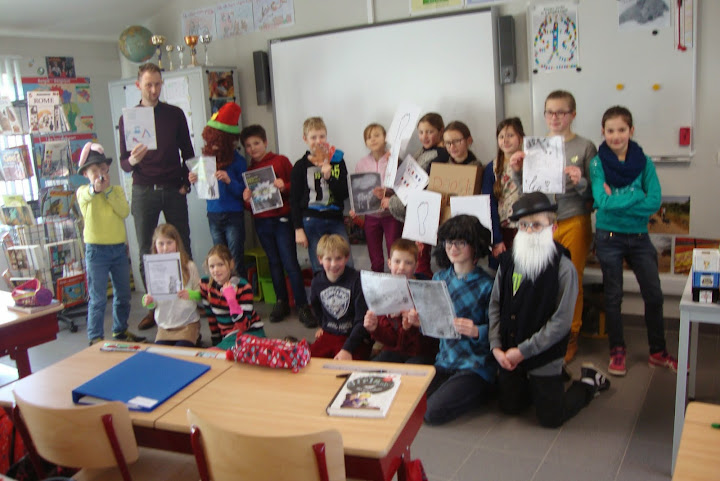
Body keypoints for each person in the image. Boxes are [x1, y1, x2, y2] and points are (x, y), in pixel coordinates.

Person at [489, 192, 610, 428]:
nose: (529, 231)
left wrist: (523, 351)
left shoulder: (564, 269)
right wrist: (496, 346)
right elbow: (495, 305)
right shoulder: (508, 262)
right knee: (510, 406)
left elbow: (561, 323)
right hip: (510, 352)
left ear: (552, 228)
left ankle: (588, 383)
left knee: (551, 418)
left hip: (542, 354)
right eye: (523, 225)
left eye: (537, 225)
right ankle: (540, 382)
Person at [589, 106, 678, 376]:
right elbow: (601, 201)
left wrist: (616, 200)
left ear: (631, 130)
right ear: (603, 132)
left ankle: (658, 352)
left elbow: (654, 202)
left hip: (639, 237)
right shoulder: (597, 164)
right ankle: (617, 350)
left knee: (654, 294)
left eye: (622, 130)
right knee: (613, 296)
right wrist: (636, 195)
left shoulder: (644, 162)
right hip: (609, 237)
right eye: (610, 130)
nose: (616, 136)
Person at [510, 90, 597, 363]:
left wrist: (581, 181)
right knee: (540, 276)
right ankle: (544, 333)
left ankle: (570, 335)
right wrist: (517, 171)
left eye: (561, 112)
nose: (555, 117)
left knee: (572, 279)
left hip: (573, 219)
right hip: (542, 223)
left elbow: (593, 196)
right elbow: (527, 192)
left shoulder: (585, 147)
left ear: (573, 114)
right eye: (550, 112)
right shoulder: (536, 146)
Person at [119, 62, 195, 331]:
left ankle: (188, 302)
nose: (153, 90)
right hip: (143, 191)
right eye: (148, 85)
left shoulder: (174, 114)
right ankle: (155, 308)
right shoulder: (129, 118)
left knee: (182, 245)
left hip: (173, 189)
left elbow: (188, 153)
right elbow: (124, 164)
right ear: (138, 85)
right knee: (146, 251)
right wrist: (133, 159)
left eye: (158, 84)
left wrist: (186, 183)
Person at [405, 215, 495, 425]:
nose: (453, 248)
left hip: (475, 365)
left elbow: (499, 331)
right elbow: (434, 325)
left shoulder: (487, 285)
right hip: (445, 361)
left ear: (475, 246)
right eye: (449, 242)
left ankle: (485, 390)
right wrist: (419, 322)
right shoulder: (440, 278)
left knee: (431, 413)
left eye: (460, 242)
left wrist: (476, 331)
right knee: (408, 403)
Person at [240, 124, 317, 327]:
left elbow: (296, 187)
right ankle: (281, 302)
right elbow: (251, 207)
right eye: (248, 145)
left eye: (256, 143)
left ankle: (302, 305)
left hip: (282, 219)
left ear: (265, 142)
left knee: (290, 262)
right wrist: (247, 200)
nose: (253, 148)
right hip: (262, 222)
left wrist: (285, 186)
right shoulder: (249, 171)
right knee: (273, 262)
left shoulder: (280, 161)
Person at [76, 142, 145, 345]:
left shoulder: (116, 191)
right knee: (98, 298)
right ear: (86, 174)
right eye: (94, 171)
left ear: (108, 169)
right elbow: (86, 195)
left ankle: (120, 330)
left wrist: (106, 192)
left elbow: (124, 212)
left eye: (103, 169)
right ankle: (95, 337)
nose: (99, 174)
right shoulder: (83, 192)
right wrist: (96, 190)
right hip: (96, 252)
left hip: (118, 250)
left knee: (123, 294)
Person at [386, 112, 449, 277]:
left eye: (429, 131)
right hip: (416, 210)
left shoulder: (440, 154)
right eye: (421, 132)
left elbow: (420, 185)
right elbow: (410, 174)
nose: (424, 136)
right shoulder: (423, 151)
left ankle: (424, 287)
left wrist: (391, 201)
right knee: (419, 258)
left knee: (421, 260)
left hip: (424, 210)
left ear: (441, 131)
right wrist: (395, 161)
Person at [189, 102, 247, 279]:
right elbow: (203, 190)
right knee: (218, 258)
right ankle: (222, 291)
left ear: (227, 142)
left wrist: (229, 181)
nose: (213, 146)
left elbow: (244, 192)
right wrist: (195, 180)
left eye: (217, 142)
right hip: (213, 214)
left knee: (235, 257)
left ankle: (239, 290)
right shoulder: (206, 160)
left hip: (233, 214)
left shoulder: (238, 161)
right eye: (210, 141)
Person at [290, 117, 353, 274]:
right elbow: (294, 199)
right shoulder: (300, 166)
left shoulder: (338, 161)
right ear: (305, 139)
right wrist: (298, 228)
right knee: (320, 266)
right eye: (313, 137)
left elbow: (344, 193)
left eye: (322, 136)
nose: (318, 141)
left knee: (346, 264)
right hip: (311, 219)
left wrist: (329, 176)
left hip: (335, 218)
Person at [363, 239, 438, 364]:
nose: (402, 268)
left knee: (410, 369)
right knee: (371, 369)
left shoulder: (426, 291)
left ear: (416, 266)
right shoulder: (383, 292)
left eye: (408, 263)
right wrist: (375, 328)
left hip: (421, 352)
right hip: (395, 351)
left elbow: (433, 340)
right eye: (397, 261)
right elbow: (391, 341)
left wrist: (415, 325)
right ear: (389, 263)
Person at [350, 123, 402, 273]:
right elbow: (358, 190)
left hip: (391, 214)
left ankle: (396, 280)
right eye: (368, 137)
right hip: (371, 216)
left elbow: (404, 187)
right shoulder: (361, 163)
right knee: (375, 258)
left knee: (395, 253)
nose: (372, 139)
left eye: (377, 135)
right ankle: (377, 281)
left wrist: (387, 193)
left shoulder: (394, 159)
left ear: (385, 138)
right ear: (365, 142)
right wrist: (356, 208)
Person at [310, 234, 370, 361]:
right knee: (308, 360)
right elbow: (316, 307)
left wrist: (347, 349)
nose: (334, 264)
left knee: (347, 366)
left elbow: (361, 320)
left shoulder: (357, 280)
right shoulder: (316, 282)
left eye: (338, 258)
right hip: (330, 333)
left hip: (353, 336)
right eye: (328, 259)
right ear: (320, 259)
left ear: (346, 258)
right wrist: (323, 325)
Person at [141, 224, 201, 347]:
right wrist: (148, 301)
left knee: (180, 352)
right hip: (164, 326)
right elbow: (153, 301)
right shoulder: (153, 269)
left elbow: (201, 293)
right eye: (161, 244)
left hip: (187, 323)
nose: (165, 248)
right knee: (161, 355)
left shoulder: (189, 266)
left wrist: (190, 294)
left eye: (169, 243)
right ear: (155, 245)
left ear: (177, 243)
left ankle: (195, 336)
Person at [197, 244, 263, 349]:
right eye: (212, 266)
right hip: (229, 337)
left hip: (250, 333)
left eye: (220, 264)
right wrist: (217, 343)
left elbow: (244, 326)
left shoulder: (243, 287)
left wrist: (232, 301)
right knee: (212, 353)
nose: (216, 270)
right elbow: (211, 318)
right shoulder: (206, 285)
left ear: (231, 264)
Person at [481, 117, 525, 270]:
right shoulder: (491, 167)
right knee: (502, 272)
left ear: (521, 138)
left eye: (510, 135)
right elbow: (488, 204)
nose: (505, 140)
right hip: (502, 230)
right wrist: (496, 239)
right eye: (501, 136)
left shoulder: (530, 163)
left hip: (525, 229)